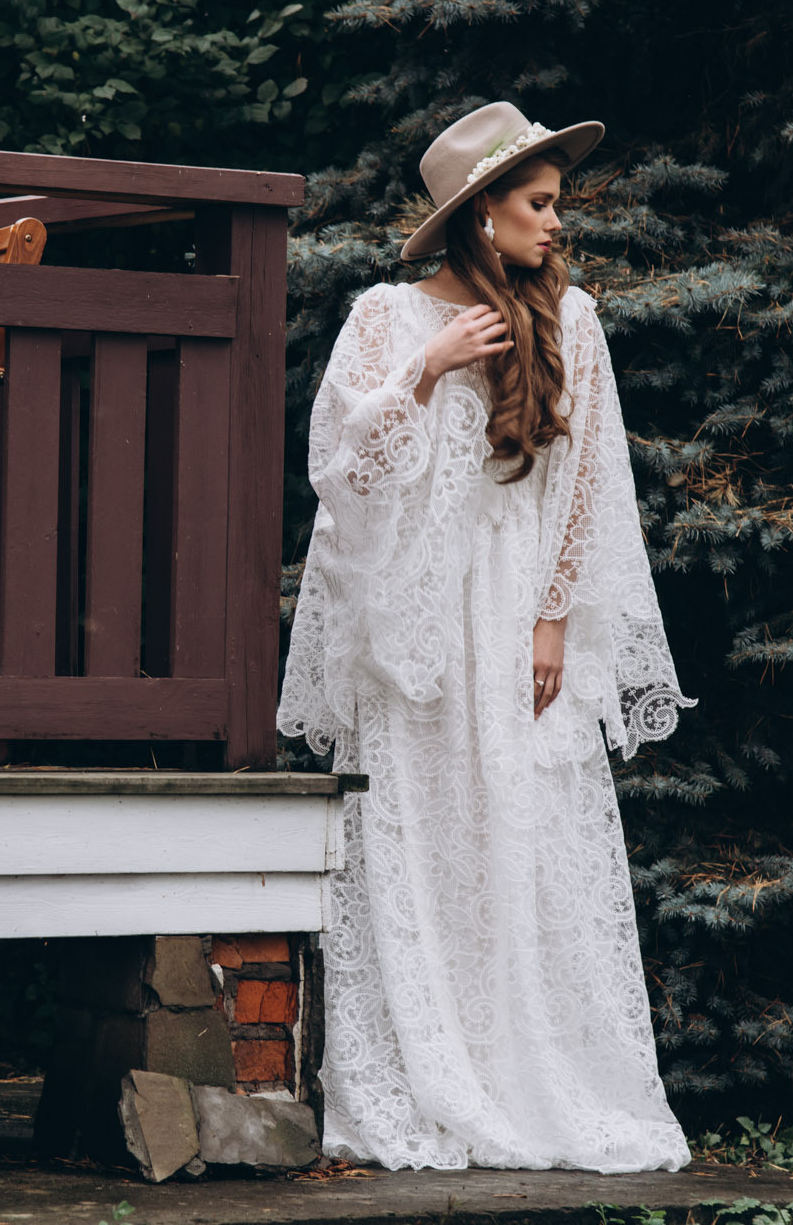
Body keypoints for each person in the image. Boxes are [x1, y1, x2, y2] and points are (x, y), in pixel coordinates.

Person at [278, 101, 695, 1173]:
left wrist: (553, 617)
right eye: (539, 204)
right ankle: (425, 1075)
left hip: (515, 608)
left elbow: (590, 481)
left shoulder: (575, 321)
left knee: (528, 825)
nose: (556, 224)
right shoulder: (383, 315)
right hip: (416, 611)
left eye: (556, 205)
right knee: (424, 833)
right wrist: (426, 370)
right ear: (481, 216)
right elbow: (340, 469)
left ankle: (534, 1076)